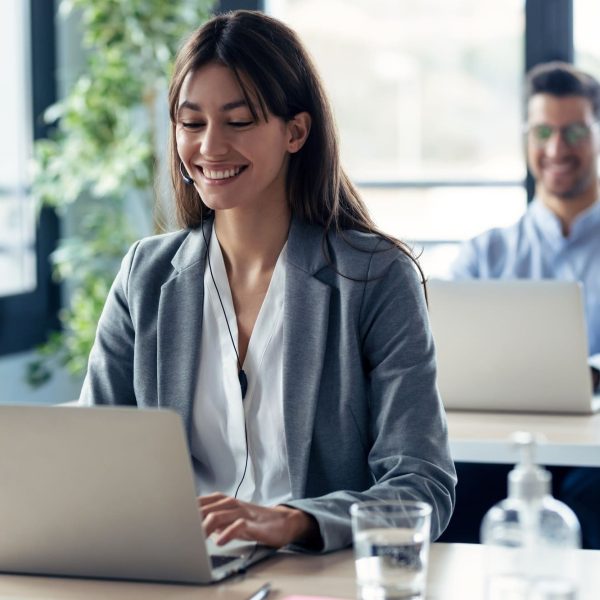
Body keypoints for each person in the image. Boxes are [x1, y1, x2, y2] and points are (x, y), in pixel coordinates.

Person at [79, 10, 456, 553]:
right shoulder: (146, 274)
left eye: (238, 121)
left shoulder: (374, 278)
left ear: (296, 132)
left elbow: (421, 486)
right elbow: (93, 457)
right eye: (192, 123)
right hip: (181, 571)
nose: (210, 146)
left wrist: (293, 520)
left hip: (312, 575)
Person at [445, 61, 600, 548]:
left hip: (593, 461)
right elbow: (446, 357)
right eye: (542, 132)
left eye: (575, 131)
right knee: (449, 491)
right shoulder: (483, 256)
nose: (557, 149)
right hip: (496, 451)